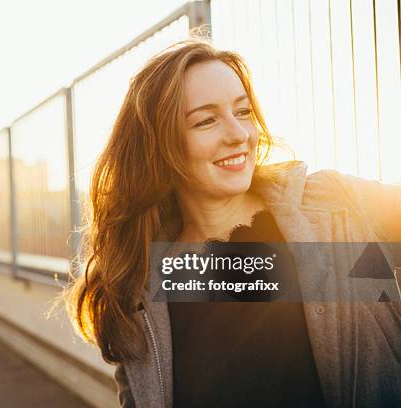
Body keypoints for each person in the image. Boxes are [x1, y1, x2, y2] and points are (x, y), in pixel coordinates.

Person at [62, 36, 401, 407]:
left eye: (242, 112)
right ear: (159, 147)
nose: (239, 135)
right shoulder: (140, 282)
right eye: (206, 121)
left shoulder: (337, 209)